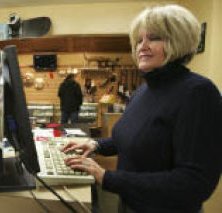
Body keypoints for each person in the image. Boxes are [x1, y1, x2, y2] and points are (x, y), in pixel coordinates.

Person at [61, 5, 222, 213]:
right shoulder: (144, 90)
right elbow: (129, 140)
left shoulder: (198, 93)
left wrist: (108, 177)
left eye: (153, 38)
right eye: (139, 40)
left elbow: (194, 183)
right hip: (130, 203)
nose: (142, 46)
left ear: (178, 41)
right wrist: (94, 144)